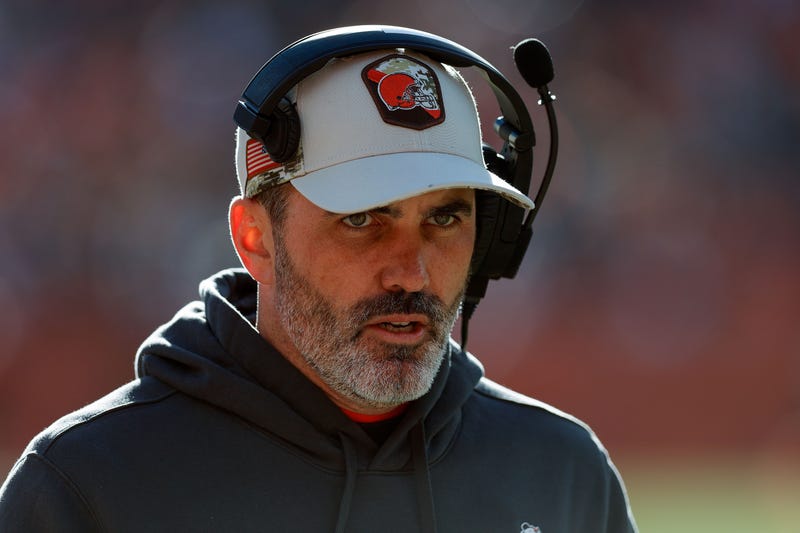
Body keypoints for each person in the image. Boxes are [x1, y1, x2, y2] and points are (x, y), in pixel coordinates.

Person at [0, 26, 637, 532]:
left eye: (445, 217)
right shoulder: (86, 489)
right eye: (361, 219)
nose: (411, 270)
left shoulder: (564, 474)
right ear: (257, 239)